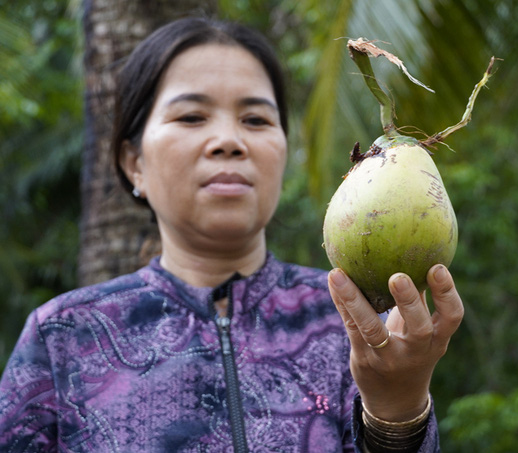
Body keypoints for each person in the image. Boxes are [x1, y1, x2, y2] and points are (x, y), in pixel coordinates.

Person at [0, 17, 464, 452]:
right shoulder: (61, 337)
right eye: (191, 117)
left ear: (283, 153)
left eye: (256, 120)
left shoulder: (365, 331)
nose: (230, 140)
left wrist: (397, 411)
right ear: (133, 163)